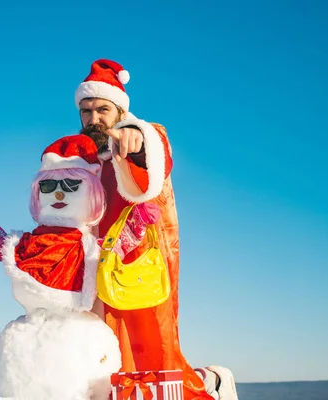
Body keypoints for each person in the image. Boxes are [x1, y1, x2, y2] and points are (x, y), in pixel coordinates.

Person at [73, 59, 239, 400]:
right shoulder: (81, 156)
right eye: (86, 111)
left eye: (102, 109)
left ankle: (210, 386)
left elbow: (154, 159)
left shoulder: (144, 135)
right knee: (101, 352)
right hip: (92, 264)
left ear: (120, 110)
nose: (94, 119)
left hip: (138, 260)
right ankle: (208, 379)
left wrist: (136, 138)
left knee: (150, 352)